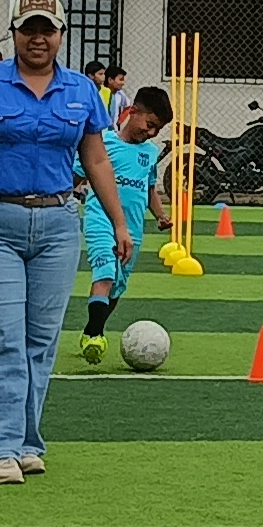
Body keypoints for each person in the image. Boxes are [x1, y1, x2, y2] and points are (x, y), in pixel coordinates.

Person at [0, 0, 136, 484]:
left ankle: (26, 441)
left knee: (40, 340)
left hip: (57, 225)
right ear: (14, 33)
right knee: (2, 335)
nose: (38, 38)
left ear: (61, 35)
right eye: (29, 29)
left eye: (47, 29)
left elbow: (96, 159)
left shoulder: (81, 90)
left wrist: (118, 222)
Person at [80, 86, 174, 364]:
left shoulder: (150, 153)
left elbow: (149, 188)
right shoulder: (103, 144)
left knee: (117, 286)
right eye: (150, 124)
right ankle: (94, 334)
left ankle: (93, 329)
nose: (152, 132)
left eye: (158, 129)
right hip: (100, 218)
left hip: (132, 228)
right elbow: (76, 173)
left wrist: (160, 215)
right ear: (133, 111)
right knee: (106, 272)